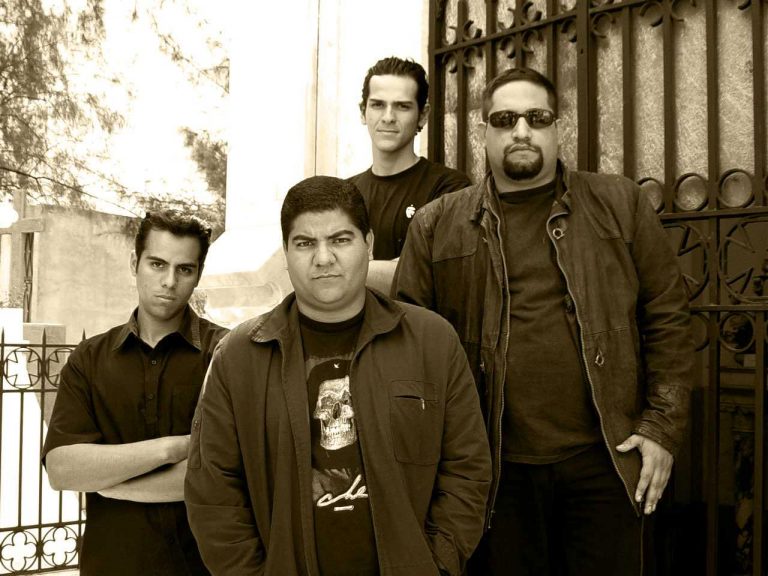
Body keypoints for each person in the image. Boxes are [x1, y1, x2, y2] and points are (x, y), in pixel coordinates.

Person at [393, 68, 694, 575]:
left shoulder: (620, 204)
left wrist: (661, 428)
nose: (521, 130)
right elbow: (410, 354)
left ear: (558, 127)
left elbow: (668, 317)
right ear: (483, 132)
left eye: (537, 117)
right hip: (494, 470)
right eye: (505, 119)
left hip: (606, 458)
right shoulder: (437, 224)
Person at [185, 176, 491, 575]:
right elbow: (212, 490)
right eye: (305, 243)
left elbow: (467, 468)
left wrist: (435, 564)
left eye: (340, 240)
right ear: (286, 253)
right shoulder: (239, 357)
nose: (323, 258)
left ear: (369, 244)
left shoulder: (432, 342)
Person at [43, 210, 227, 576]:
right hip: (110, 565)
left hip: (201, 568)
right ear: (134, 262)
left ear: (198, 274)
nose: (169, 281)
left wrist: (110, 481)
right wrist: (172, 448)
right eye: (157, 264)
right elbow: (63, 470)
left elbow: (225, 473)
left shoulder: (226, 354)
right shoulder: (89, 359)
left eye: (184, 269)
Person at [349, 56, 471, 292]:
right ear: (363, 112)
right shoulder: (345, 192)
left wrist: (340, 271)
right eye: (377, 105)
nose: (388, 117)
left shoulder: (450, 189)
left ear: (423, 115)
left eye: (402, 106)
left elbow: (428, 274)